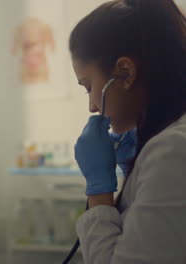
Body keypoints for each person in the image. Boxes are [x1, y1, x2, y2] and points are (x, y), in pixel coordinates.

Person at [70, 0, 186, 262]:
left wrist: (99, 192)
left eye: (88, 86)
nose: (91, 106)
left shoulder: (172, 152)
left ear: (125, 73)